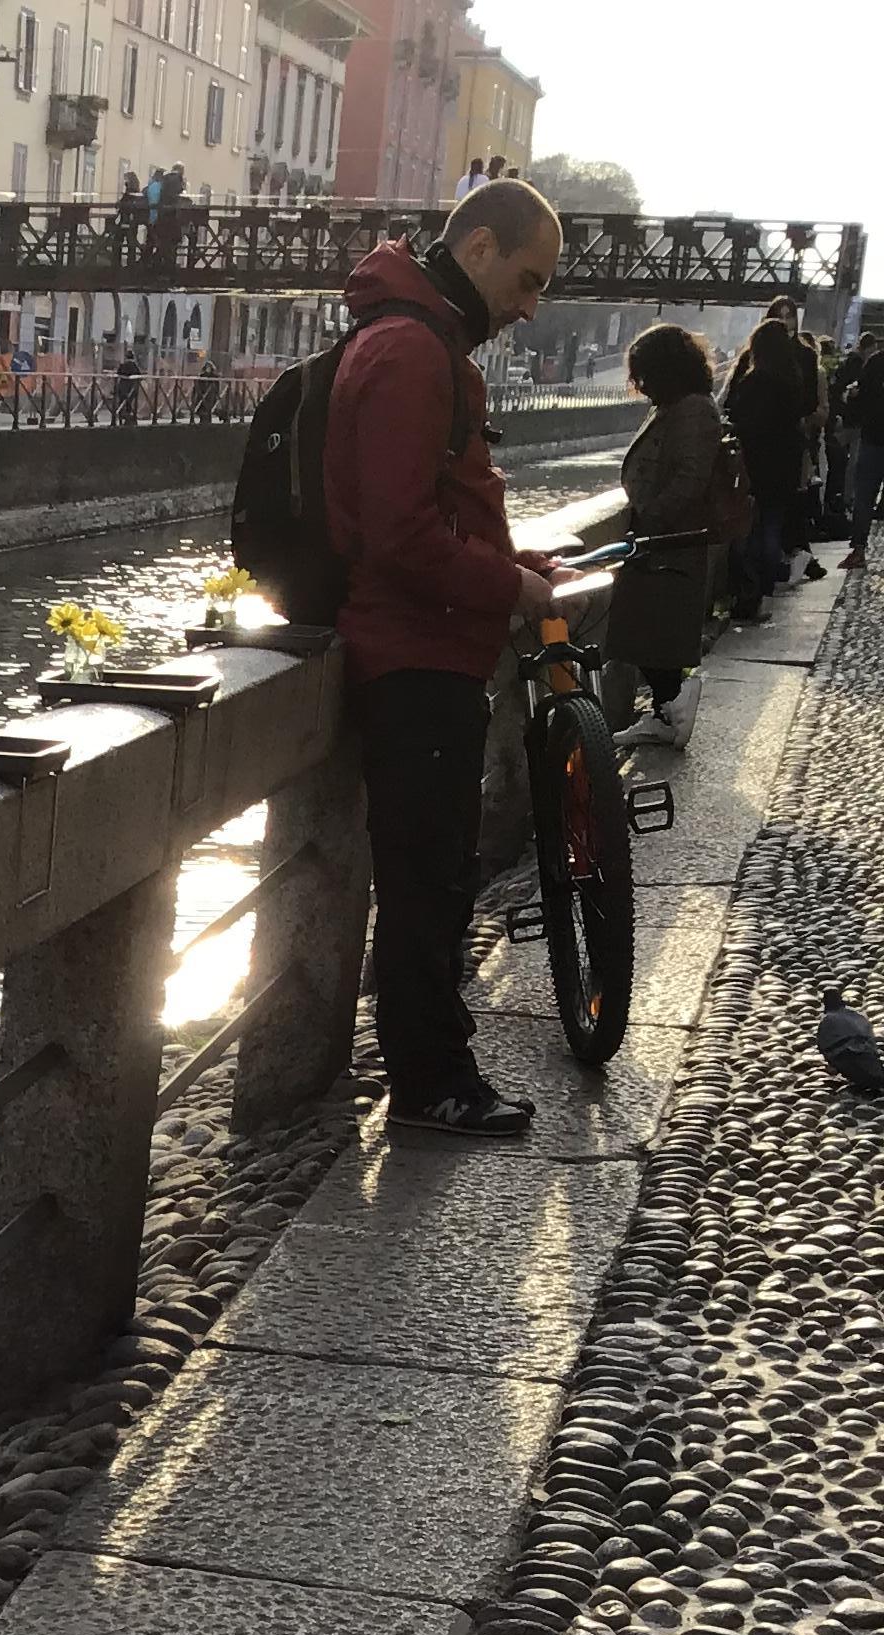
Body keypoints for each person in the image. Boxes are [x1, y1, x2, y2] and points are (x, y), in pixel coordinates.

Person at [323, 176, 571, 1138]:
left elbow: (430, 513)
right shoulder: (413, 351)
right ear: (477, 251)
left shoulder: (418, 340)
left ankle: (435, 1072)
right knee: (425, 881)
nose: (529, 304)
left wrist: (511, 560)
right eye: (526, 278)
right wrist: (507, 589)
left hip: (430, 649)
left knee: (436, 876)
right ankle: (430, 1086)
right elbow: (397, 535)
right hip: (413, 658)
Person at [607, 323, 723, 752]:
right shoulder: (679, 405)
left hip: (668, 545)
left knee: (657, 635)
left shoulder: (692, 411)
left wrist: (652, 520)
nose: (639, 385)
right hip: (660, 543)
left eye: (643, 374)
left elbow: (690, 479)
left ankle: (670, 713)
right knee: (649, 634)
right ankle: (665, 710)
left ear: (665, 369)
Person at [728, 317, 813, 620]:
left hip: (756, 464)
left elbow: (738, 415)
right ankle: (764, 590)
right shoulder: (793, 380)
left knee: (750, 532)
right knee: (772, 528)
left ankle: (749, 594)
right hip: (785, 464)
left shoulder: (754, 381)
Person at [845, 329, 884, 571]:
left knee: (864, 497)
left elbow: (859, 398)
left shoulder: (875, 363)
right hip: (872, 438)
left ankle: (858, 549)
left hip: (873, 438)